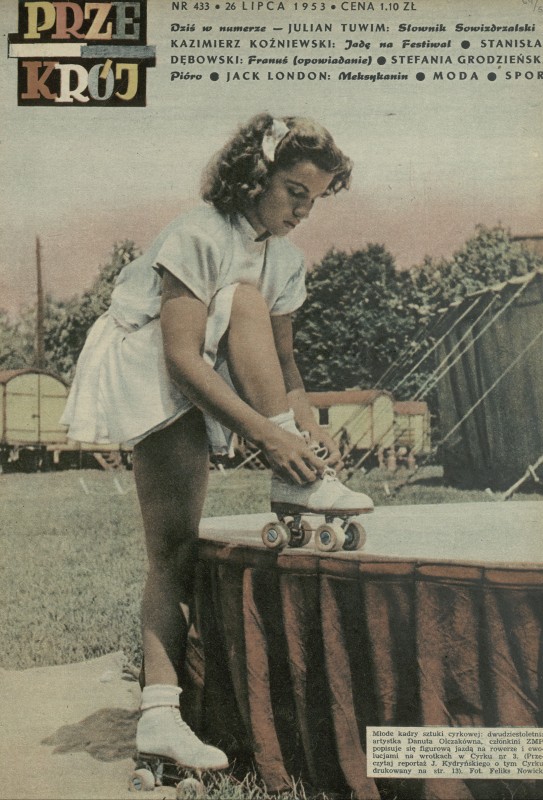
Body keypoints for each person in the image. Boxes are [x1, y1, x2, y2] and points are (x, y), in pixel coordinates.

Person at [61, 112, 374, 773]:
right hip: (148, 356)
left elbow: (284, 366)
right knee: (170, 547)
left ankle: (159, 719)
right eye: (294, 191)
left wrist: (307, 432)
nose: (303, 211)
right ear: (255, 176)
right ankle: (161, 715)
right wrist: (268, 436)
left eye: (315, 200)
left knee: (250, 302)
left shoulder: (284, 259)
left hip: (207, 357)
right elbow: (180, 357)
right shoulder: (200, 232)